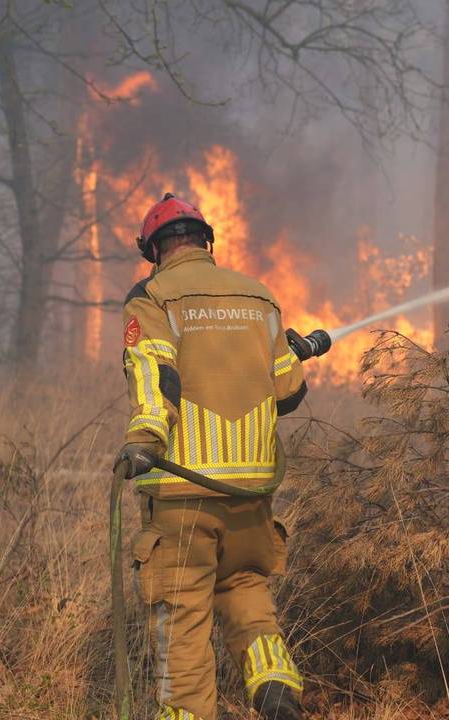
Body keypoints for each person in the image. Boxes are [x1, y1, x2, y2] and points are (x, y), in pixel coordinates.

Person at [117, 193, 309, 720]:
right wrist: (288, 351)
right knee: (246, 588)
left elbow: (157, 377)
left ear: (155, 248)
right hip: (250, 491)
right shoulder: (260, 296)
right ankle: (275, 690)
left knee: (181, 614)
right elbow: (288, 390)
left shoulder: (152, 295)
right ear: (206, 241)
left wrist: (146, 443)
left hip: (182, 491)